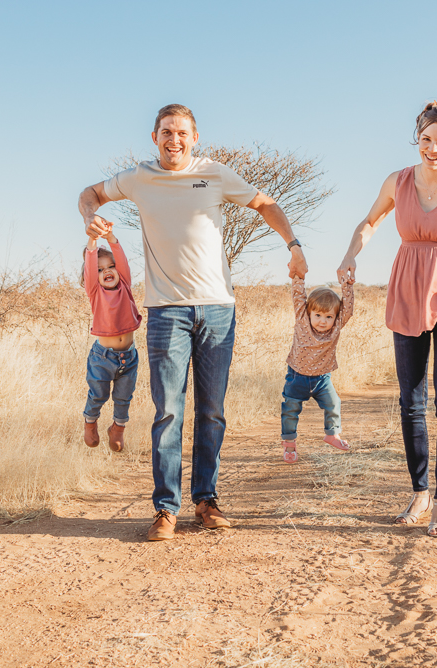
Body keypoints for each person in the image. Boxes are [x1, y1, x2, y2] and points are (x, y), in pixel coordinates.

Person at [78, 104, 308, 542]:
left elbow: (264, 202)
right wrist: (91, 219)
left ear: (195, 137)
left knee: (212, 410)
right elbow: (89, 193)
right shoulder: (139, 177)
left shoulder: (215, 173)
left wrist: (293, 244)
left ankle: (206, 501)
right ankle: (165, 509)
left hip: (218, 309)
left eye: (182, 133)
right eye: (167, 132)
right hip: (166, 312)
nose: (174, 140)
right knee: (168, 411)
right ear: (154, 136)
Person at [337, 101, 437, 538]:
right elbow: (369, 222)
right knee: (411, 400)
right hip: (407, 292)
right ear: (418, 138)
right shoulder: (398, 180)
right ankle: (420, 491)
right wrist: (352, 252)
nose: (432, 148)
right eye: (426, 139)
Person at [280, 274, 355, 463]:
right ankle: (289, 444)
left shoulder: (336, 327)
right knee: (290, 410)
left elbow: (348, 309)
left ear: (335, 317)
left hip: (322, 380)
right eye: (318, 315)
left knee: (334, 403)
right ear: (309, 313)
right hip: (297, 377)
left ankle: (332, 435)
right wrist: (298, 276)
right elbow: (298, 296)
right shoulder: (302, 321)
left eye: (329, 316)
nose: (323, 321)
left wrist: (347, 285)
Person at [80, 228, 142, 452]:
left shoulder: (125, 285)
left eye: (110, 266)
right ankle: (90, 422)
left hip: (129, 357)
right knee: (99, 394)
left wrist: (111, 238)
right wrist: (93, 239)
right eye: (100, 269)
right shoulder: (95, 292)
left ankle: (118, 428)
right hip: (102, 358)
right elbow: (90, 264)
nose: (107, 271)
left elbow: (122, 261)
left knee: (123, 398)